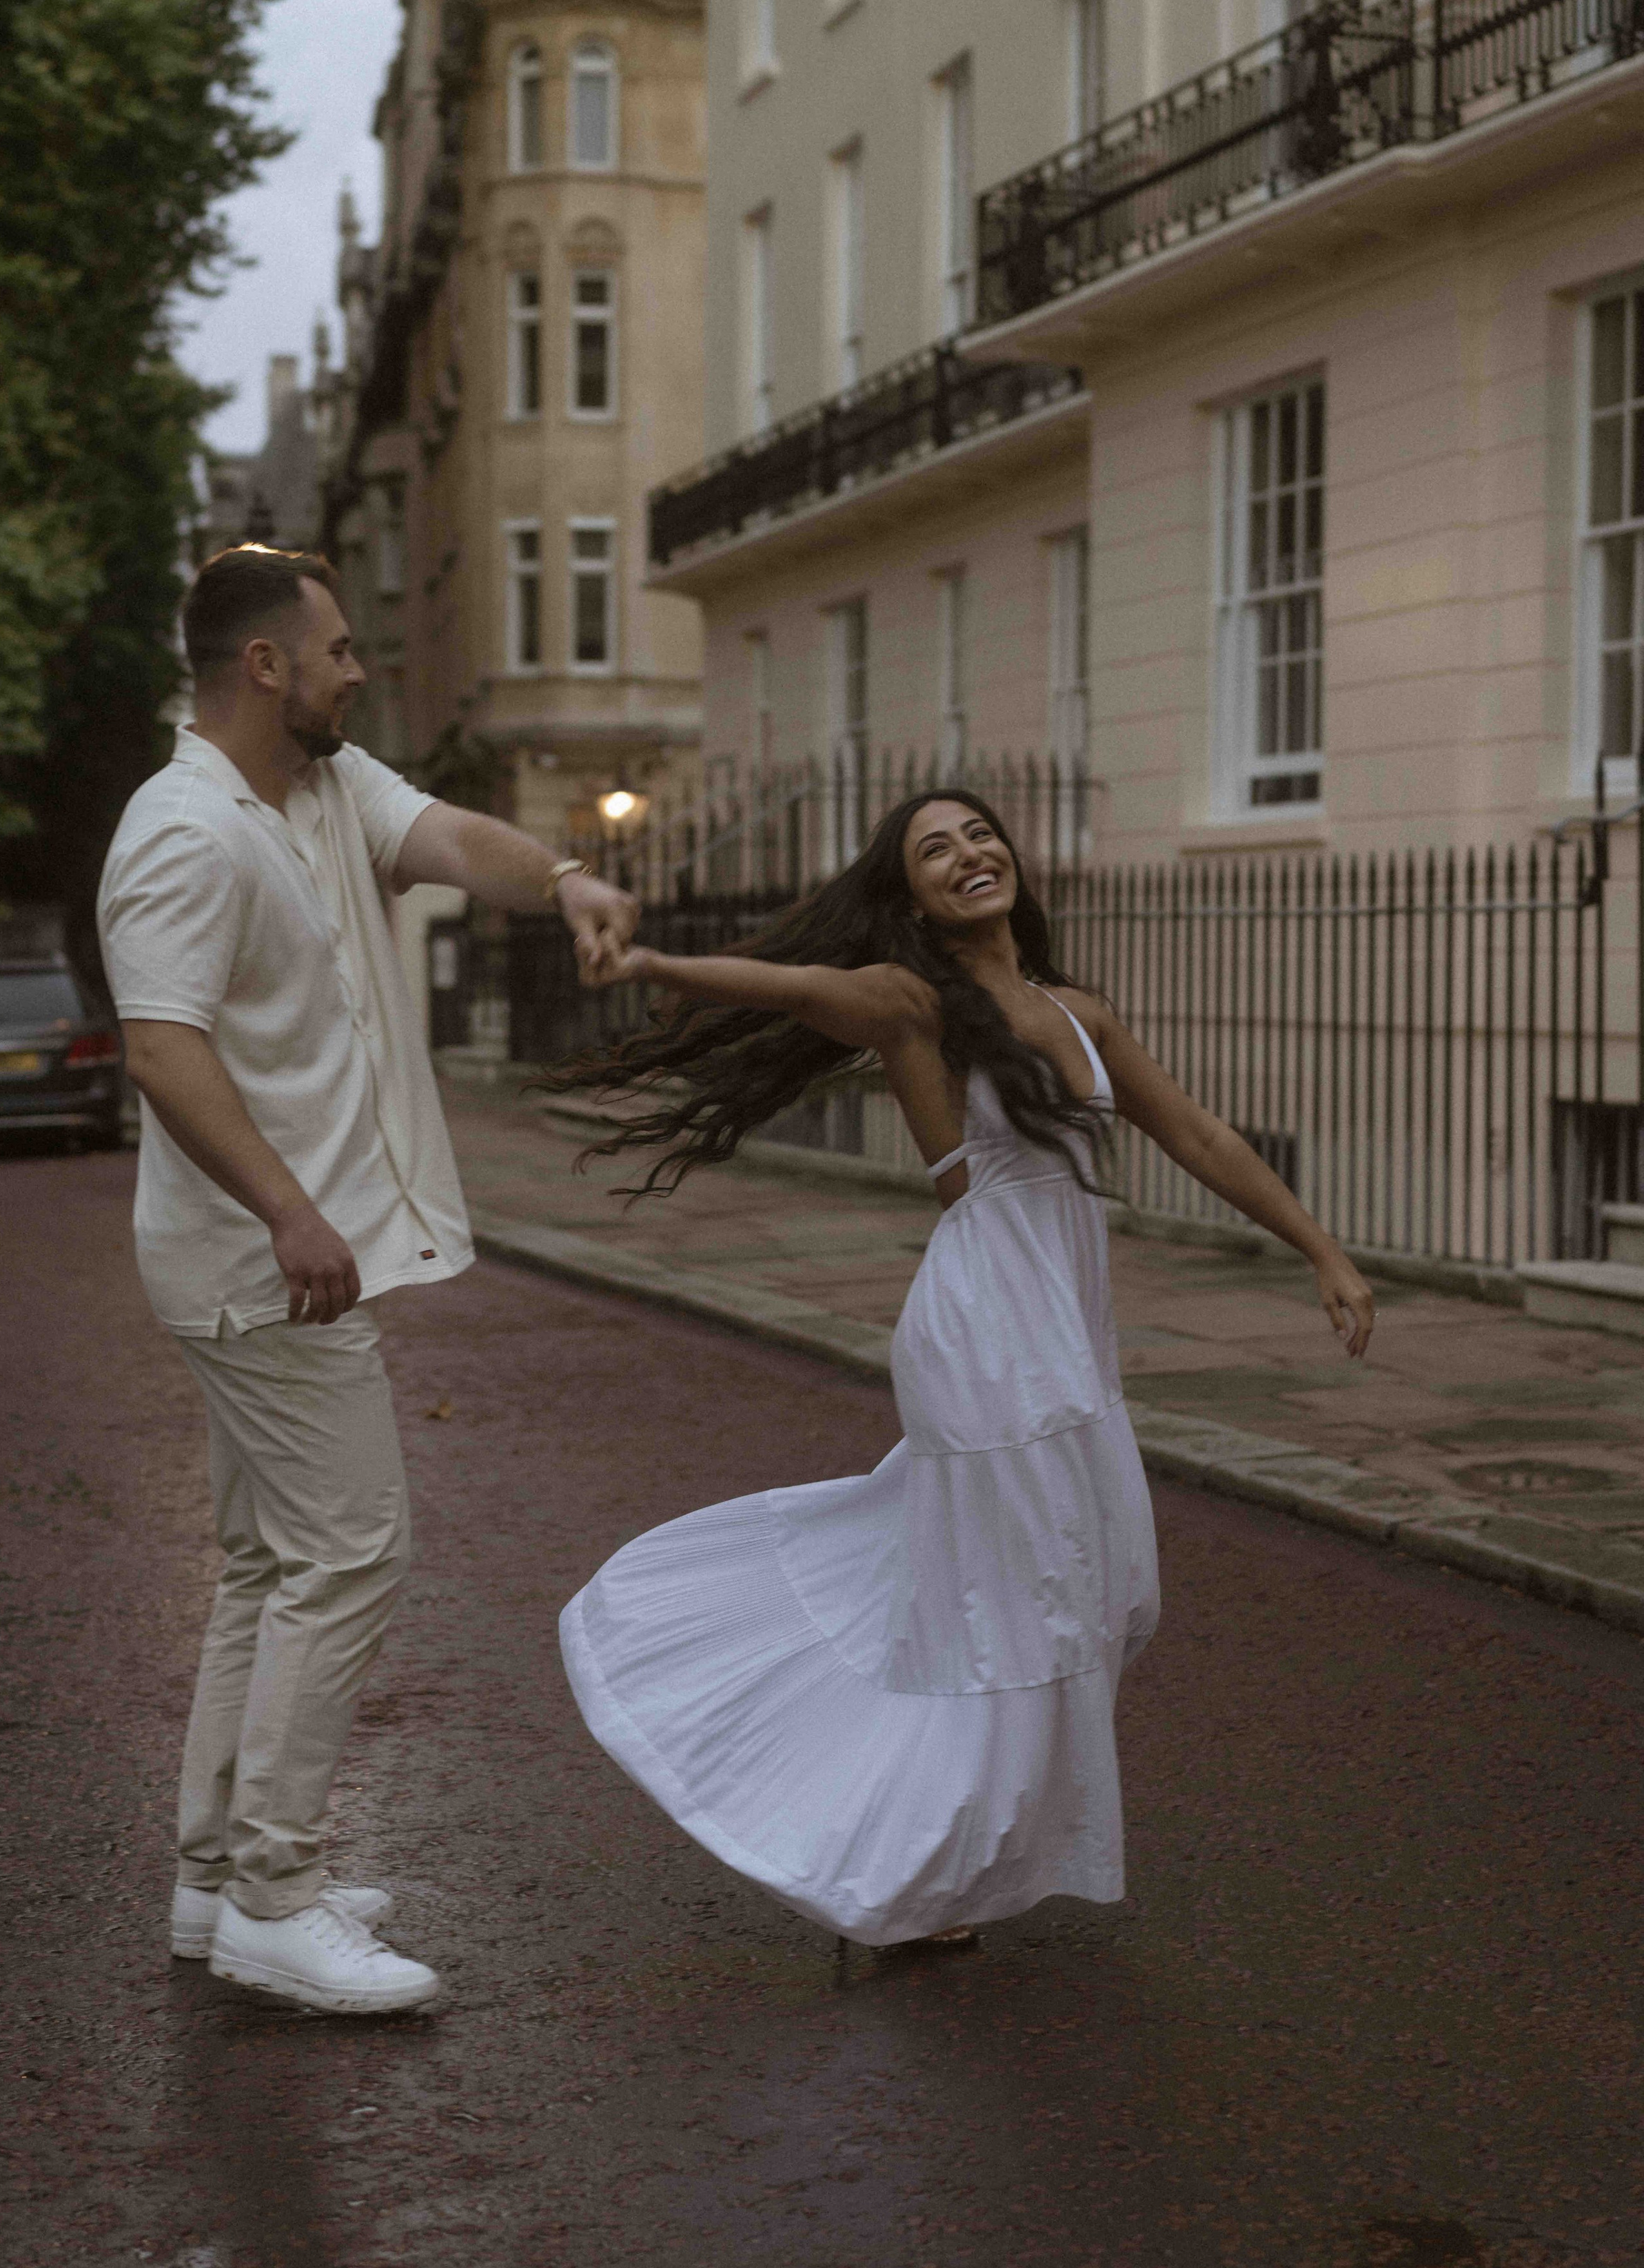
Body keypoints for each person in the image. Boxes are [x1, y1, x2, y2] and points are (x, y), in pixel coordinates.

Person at [558, 789, 1374, 1952]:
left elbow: (1199, 1138)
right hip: (985, 1323)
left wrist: (1322, 1250)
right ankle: (913, 1876)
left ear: (1011, 860)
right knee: (1026, 1603)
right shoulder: (909, 1004)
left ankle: (928, 1844)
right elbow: (796, 991)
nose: (968, 854)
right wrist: (651, 961)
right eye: (934, 849)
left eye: (978, 835)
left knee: (1089, 1592)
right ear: (912, 894)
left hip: (1063, 1331)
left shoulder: (1075, 1009)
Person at [99, 544, 635, 2014]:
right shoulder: (182, 832)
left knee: (276, 1563)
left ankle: (218, 1883)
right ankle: (276, 1893)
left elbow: (456, 839)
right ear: (264, 667)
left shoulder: (323, 788)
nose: (356, 670)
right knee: (350, 1554)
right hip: (261, 1266)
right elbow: (160, 1045)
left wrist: (569, 874)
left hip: (283, 1256)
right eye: (335, 651)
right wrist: (287, 1210)